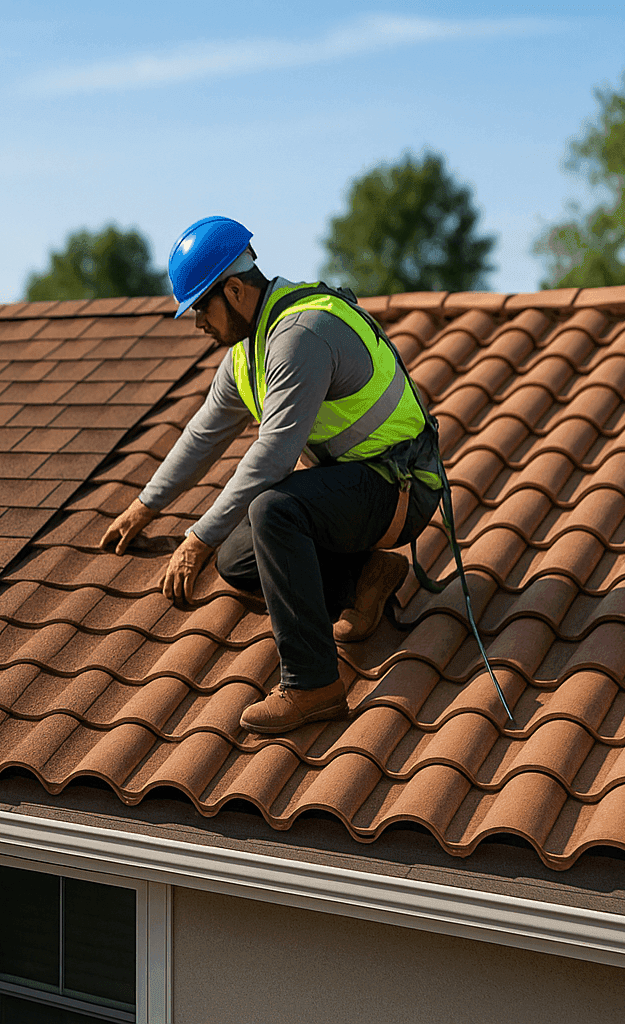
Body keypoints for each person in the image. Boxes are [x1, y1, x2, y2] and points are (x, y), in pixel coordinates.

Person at [102, 216, 444, 734]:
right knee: (240, 556)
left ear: (235, 290)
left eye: (200, 307)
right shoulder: (248, 351)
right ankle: (364, 580)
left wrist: (196, 538)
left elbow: (273, 457)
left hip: (400, 489)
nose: (197, 322)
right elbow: (203, 435)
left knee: (272, 510)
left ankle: (314, 686)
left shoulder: (299, 335)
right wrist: (145, 506)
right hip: (352, 492)